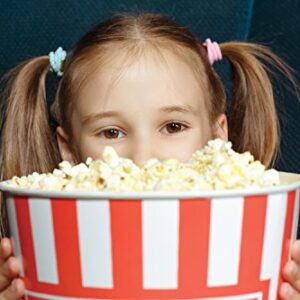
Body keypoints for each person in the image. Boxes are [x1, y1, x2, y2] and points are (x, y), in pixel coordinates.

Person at [0, 12, 299, 300]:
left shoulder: (252, 239)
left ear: (217, 135)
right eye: (111, 132)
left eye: (173, 126)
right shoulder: (47, 248)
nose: (144, 158)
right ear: (68, 148)